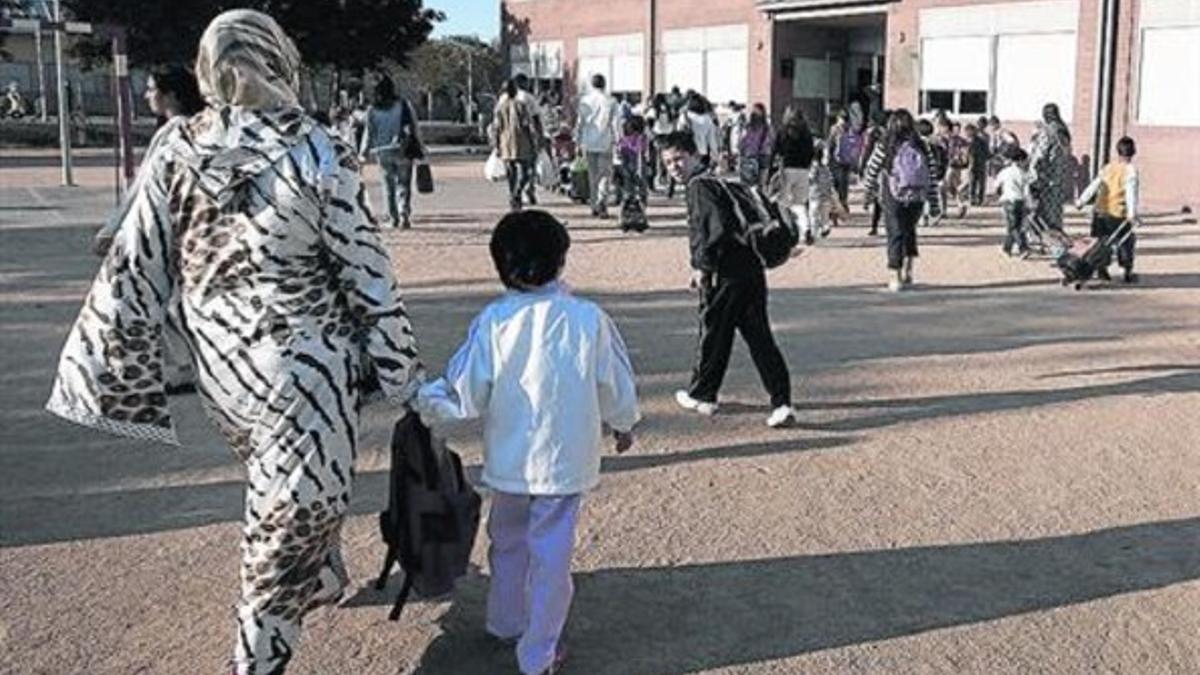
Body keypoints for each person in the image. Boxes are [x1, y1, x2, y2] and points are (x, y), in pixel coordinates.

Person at [45, 11, 423, 675]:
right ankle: (257, 659)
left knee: (284, 487)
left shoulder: (175, 144)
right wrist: (402, 371)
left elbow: (137, 258)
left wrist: (113, 356)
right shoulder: (316, 146)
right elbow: (366, 269)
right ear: (279, 60)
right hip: (304, 372)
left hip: (223, 370)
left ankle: (325, 575)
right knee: (291, 518)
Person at [416, 210, 640, 675]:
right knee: (551, 556)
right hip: (563, 462)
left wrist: (422, 402)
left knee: (508, 541)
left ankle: (505, 620)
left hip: (511, 459)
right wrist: (624, 422)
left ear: (502, 265)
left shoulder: (495, 320)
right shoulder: (587, 318)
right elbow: (613, 381)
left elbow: (466, 390)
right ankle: (538, 652)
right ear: (561, 261)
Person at [659, 130, 796, 428]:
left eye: (679, 159)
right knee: (759, 337)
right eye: (668, 163)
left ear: (695, 155)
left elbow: (708, 230)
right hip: (752, 268)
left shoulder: (699, 187)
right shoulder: (721, 181)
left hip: (725, 272)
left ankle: (704, 394)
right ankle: (781, 401)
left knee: (713, 334)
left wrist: (701, 268)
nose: (674, 167)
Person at [862, 109, 940, 292]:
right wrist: (934, 203)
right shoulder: (922, 145)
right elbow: (932, 175)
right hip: (917, 196)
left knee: (895, 233)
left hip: (893, 194)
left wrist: (868, 193)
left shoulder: (886, 144)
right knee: (909, 230)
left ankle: (894, 276)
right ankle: (908, 270)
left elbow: (871, 169)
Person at [359, 74, 424, 228]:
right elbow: (414, 126)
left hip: (383, 152)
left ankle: (393, 217)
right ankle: (404, 214)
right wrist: (421, 146)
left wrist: (363, 153)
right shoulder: (403, 104)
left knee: (388, 185)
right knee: (404, 184)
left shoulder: (372, 110)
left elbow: (368, 133)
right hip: (403, 149)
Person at [1076, 136, 1141, 283]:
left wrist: (1081, 200)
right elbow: (1131, 193)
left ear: (1118, 151)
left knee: (1099, 243)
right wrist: (1132, 214)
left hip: (1099, 212)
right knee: (1126, 242)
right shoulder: (1130, 171)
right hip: (1118, 213)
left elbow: (1095, 185)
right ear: (1133, 152)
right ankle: (1126, 271)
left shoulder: (1108, 167)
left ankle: (1101, 269)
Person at [574, 74, 620, 218]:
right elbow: (615, 123)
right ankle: (602, 201)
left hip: (588, 142)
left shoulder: (585, 101)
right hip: (605, 141)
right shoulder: (611, 101)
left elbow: (580, 123)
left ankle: (594, 205)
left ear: (592, 85)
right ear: (604, 84)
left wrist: (577, 141)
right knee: (605, 175)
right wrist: (618, 140)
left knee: (592, 175)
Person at [771, 105, 816, 244]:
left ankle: (785, 230)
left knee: (783, 203)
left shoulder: (783, 132)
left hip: (786, 170)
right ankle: (806, 228)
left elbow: (775, 151)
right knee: (800, 204)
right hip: (803, 170)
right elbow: (811, 153)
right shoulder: (807, 134)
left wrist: (772, 170)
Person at [493, 78, 541, 211]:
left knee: (511, 172)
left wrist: (496, 144)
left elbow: (496, 127)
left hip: (505, 142)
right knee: (527, 172)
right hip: (522, 142)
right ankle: (517, 193)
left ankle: (513, 195)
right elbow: (527, 125)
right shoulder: (521, 105)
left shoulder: (500, 106)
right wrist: (534, 141)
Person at [1029, 102, 1073, 231]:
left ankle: (1045, 239)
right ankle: (1056, 235)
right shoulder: (1064, 132)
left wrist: (1032, 176)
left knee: (1041, 211)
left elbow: (1040, 156)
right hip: (1060, 178)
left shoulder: (1047, 132)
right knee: (1056, 211)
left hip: (1046, 179)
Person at [996, 148, 1033, 258]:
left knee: (1012, 227)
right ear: (1020, 160)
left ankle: (1020, 249)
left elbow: (997, 186)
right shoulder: (1023, 174)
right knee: (1016, 226)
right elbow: (1026, 191)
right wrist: (1029, 204)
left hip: (1007, 201)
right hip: (1020, 201)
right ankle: (1010, 248)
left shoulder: (1004, 172)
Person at [827, 110, 862, 219]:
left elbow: (830, 145)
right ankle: (843, 205)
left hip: (835, 162)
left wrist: (828, 159)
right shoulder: (851, 129)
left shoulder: (834, 129)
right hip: (846, 162)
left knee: (835, 186)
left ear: (839, 118)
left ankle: (835, 210)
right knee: (844, 186)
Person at [859, 109, 889, 235]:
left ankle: (875, 225)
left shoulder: (873, 133)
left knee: (878, 198)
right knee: (886, 198)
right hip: (890, 169)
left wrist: (862, 166)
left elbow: (867, 150)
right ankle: (884, 225)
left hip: (877, 168)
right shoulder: (891, 133)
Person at [678, 93, 721, 173]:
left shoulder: (685, 116)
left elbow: (679, 133)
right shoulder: (707, 118)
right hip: (703, 151)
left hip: (688, 151)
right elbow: (711, 139)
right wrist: (715, 155)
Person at [809, 140, 840, 240]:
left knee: (813, 213)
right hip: (826, 194)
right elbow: (830, 179)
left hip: (815, 193)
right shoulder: (825, 167)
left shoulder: (813, 166)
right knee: (824, 214)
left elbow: (811, 178)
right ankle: (825, 227)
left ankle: (814, 233)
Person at [737, 103, 772, 189]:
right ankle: (761, 199)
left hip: (750, 157)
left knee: (747, 185)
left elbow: (741, 143)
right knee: (761, 185)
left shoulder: (747, 127)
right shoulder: (767, 128)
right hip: (763, 157)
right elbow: (770, 143)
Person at [966, 123, 990, 206]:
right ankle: (975, 199)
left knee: (977, 183)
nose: (968, 134)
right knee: (974, 183)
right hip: (977, 164)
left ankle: (977, 199)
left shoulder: (979, 141)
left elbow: (986, 153)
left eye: (969, 131)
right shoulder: (969, 141)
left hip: (978, 164)